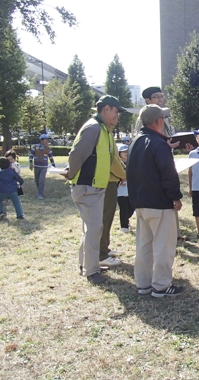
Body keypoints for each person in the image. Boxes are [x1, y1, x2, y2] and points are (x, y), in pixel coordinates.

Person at [65, 95, 128, 285]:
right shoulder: (94, 128)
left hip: (95, 187)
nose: (118, 116)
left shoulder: (103, 129)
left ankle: (85, 264)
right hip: (87, 187)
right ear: (106, 109)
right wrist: (71, 174)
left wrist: (124, 175)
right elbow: (76, 153)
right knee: (94, 228)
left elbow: (111, 160)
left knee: (91, 228)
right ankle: (91, 271)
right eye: (116, 111)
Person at [127, 104, 185, 298]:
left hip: (140, 201)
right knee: (163, 246)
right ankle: (161, 285)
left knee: (144, 245)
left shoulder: (136, 141)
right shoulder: (159, 144)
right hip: (159, 202)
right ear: (159, 121)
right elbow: (168, 174)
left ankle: (143, 283)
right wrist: (175, 196)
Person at [99, 132, 128, 268]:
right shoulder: (103, 134)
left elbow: (115, 159)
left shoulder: (107, 134)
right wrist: (123, 175)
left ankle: (105, 247)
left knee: (108, 217)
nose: (117, 116)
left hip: (111, 181)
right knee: (105, 217)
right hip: (106, 181)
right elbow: (112, 160)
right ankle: (101, 254)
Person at [29, 133, 55, 199]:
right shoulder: (35, 147)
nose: (47, 141)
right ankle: (39, 191)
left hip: (44, 166)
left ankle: (40, 194)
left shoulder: (48, 149)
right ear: (41, 140)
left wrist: (53, 165)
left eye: (47, 140)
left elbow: (51, 157)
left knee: (41, 180)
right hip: (36, 166)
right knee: (37, 180)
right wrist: (31, 162)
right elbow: (31, 155)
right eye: (45, 140)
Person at [117, 144, 135, 233]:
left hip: (131, 190)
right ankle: (124, 226)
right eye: (124, 152)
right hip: (120, 190)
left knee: (131, 208)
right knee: (123, 208)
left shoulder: (133, 162)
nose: (126, 153)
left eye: (127, 152)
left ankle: (126, 220)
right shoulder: (117, 163)